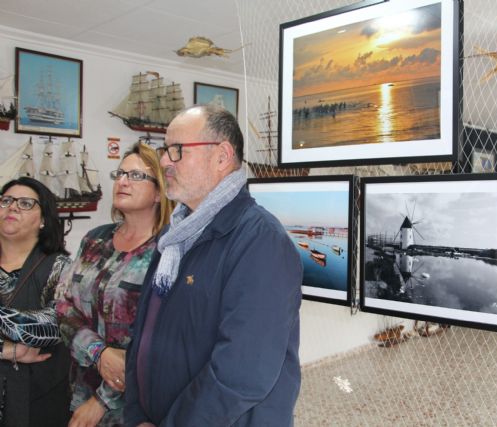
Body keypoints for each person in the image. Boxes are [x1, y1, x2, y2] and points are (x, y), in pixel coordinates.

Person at [125, 105, 303, 427]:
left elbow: (243, 371)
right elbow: (143, 332)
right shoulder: (174, 237)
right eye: (165, 150)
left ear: (222, 156)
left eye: (176, 150)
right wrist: (137, 414)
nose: (164, 161)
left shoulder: (261, 241)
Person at [56, 141, 173, 427]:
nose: (122, 181)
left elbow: (160, 340)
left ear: (159, 192)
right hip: (78, 387)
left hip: (135, 404)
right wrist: (98, 352)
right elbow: (61, 305)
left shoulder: (169, 251)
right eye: (119, 174)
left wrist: (103, 401)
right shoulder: (95, 238)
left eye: (136, 176)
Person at [0, 176, 71, 427]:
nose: (13, 207)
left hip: (39, 400)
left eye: (26, 203)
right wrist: (6, 350)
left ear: (43, 220)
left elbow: (55, 326)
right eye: (6, 200)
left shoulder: (60, 267)